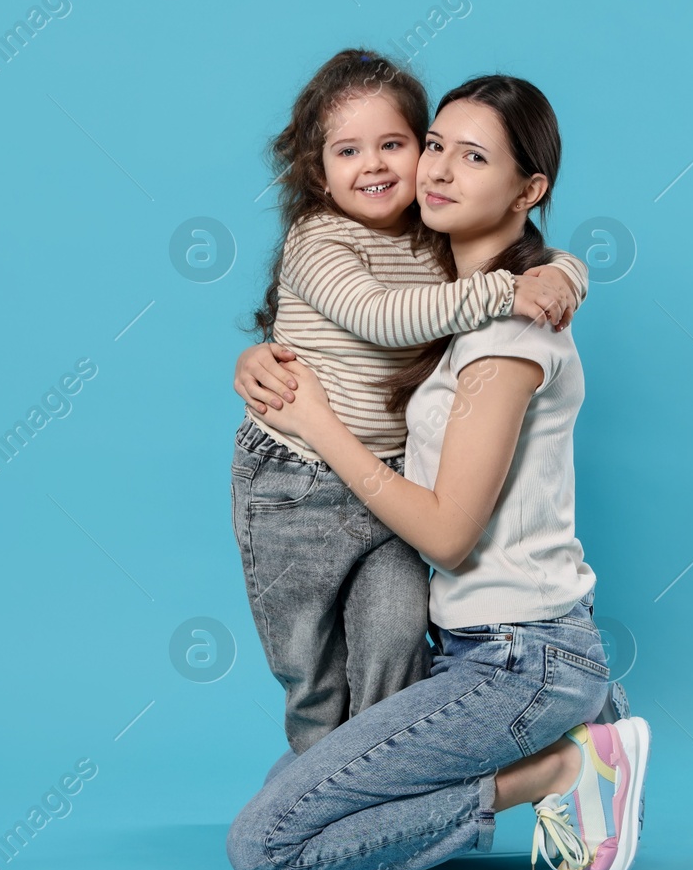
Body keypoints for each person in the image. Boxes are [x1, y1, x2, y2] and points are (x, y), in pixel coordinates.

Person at [226, 75, 650, 870]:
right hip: (473, 647)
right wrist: (260, 356)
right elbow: (366, 317)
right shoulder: (445, 294)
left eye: (474, 156)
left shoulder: (501, 336)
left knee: (268, 848)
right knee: (299, 787)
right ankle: (576, 732)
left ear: (529, 191)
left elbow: (450, 536)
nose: (437, 170)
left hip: (518, 656)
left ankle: (561, 769)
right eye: (437, 146)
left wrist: (317, 424)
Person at [231, 48, 588, 756]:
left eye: (397, 143)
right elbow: (380, 316)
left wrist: (564, 275)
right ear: (316, 169)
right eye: (347, 150)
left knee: (394, 641)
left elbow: (531, 256)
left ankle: (375, 799)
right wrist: (507, 290)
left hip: (387, 478)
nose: (378, 165)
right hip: (294, 482)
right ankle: (322, 783)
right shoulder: (318, 239)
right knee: (311, 670)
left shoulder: (433, 236)